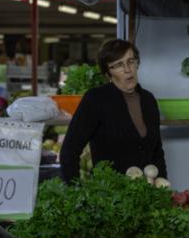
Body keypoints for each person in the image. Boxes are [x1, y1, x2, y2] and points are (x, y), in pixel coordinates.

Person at [60, 39, 166, 182]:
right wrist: (74, 190)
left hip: (146, 192)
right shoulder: (96, 99)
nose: (128, 69)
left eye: (131, 61)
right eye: (118, 65)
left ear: (137, 63)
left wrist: (162, 186)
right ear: (108, 73)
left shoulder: (148, 100)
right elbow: (69, 150)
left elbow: (157, 152)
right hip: (110, 195)